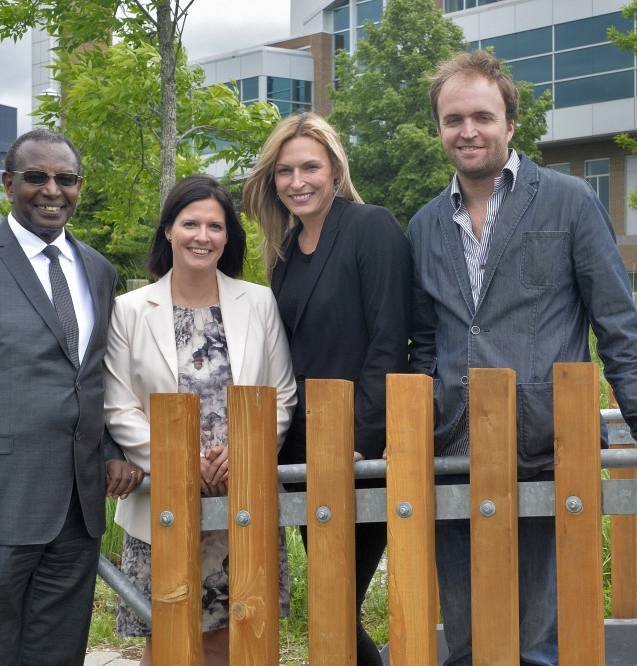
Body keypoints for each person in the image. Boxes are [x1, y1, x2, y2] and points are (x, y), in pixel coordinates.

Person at [408, 50, 637, 665]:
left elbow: (617, 323)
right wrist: (409, 432)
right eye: (453, 118)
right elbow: (420, 342)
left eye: (483, 116)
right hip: (453, 448)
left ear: (511, 123)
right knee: (465, 640)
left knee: (539, 642)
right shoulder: (423, 225)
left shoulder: (569, 202)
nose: (468, 131)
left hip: (546, 447)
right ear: (438, 127)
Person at [0, 128, 142, 665]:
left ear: (79, 186)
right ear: (9, 184)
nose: (51, 190)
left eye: (65, 179)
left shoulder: (99, 271)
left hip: (76, 515)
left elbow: (92, 379)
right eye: (36, 177)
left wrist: (111, 449)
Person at [103, 174, 297, 666]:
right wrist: (183, 461)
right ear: (169, 229)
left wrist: (243, 453)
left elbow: (282, 395)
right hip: (166, 499)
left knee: (236, 637)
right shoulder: (129, 310)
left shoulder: (258, 302)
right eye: (191, 223)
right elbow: (118, 406)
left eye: (215, 225)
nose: (202, 236)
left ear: (228, 236)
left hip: (243, 496)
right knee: (167, 638)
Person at [243, 112, 412, 665]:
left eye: (310, 166)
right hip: (300, 454)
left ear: (335, 169)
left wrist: (359, 437)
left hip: (357, 454)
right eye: (285, 170)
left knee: (336, 606)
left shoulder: (371, 227)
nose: (298, 181)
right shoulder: (286, 253)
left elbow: (390, 339)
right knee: (332, 604)